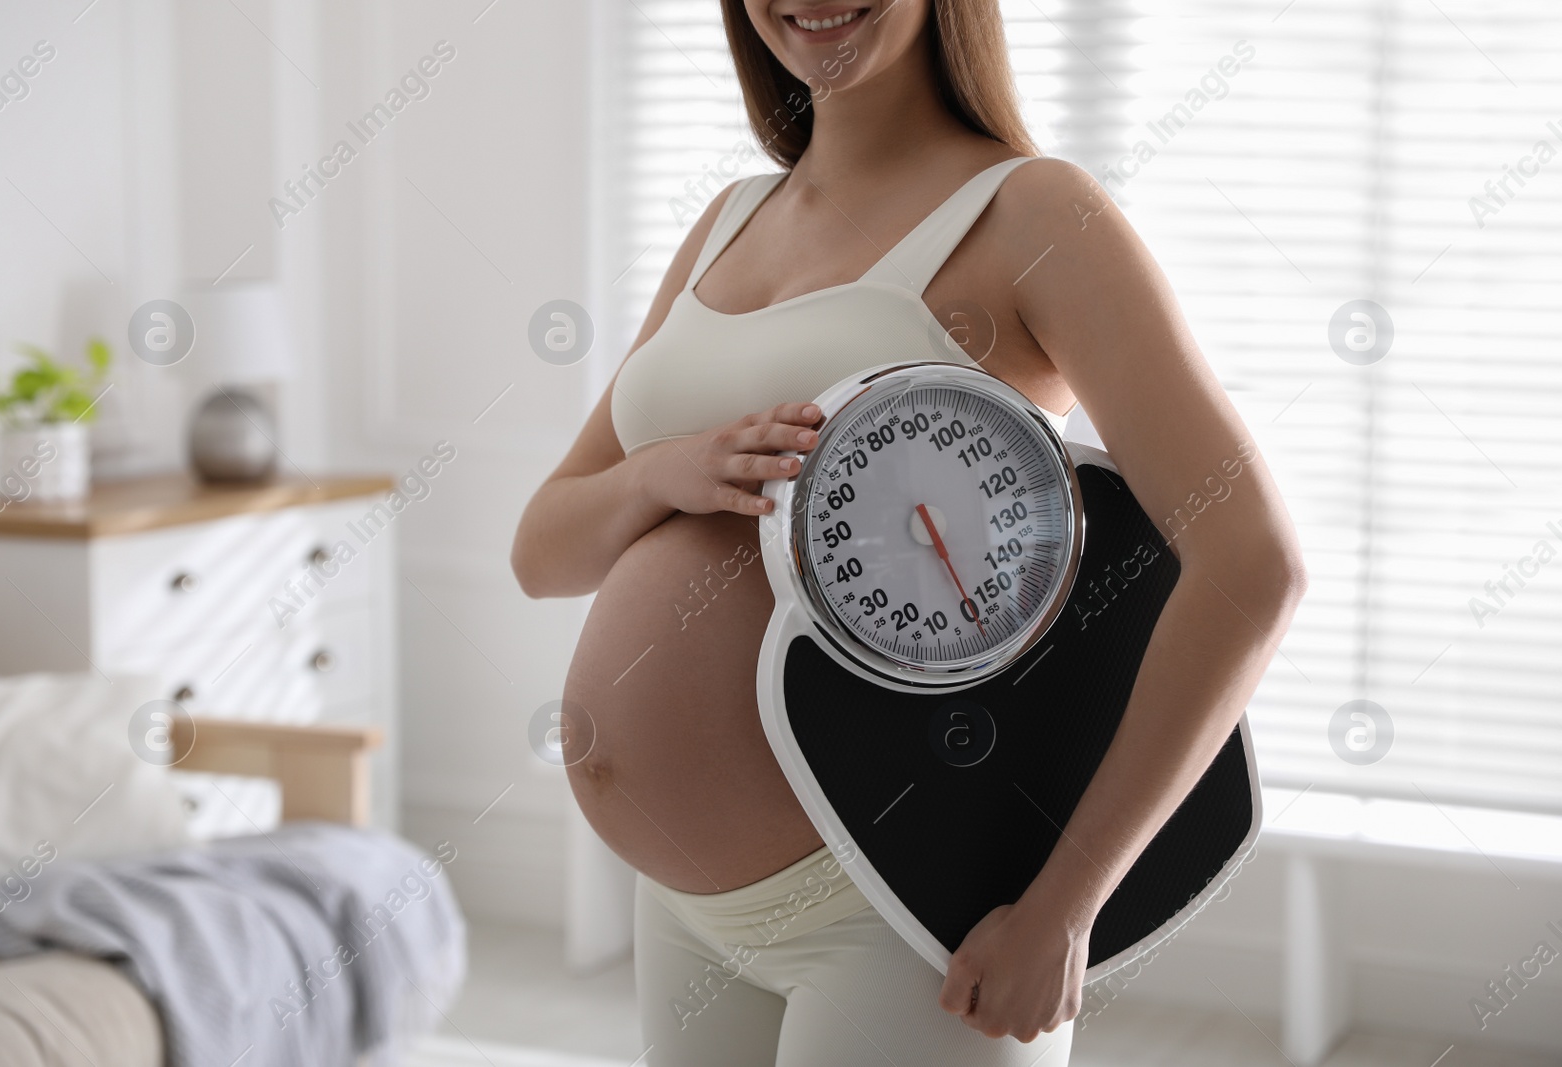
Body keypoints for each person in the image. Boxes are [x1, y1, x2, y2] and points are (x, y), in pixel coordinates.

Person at [510, 1, 1307, 1063]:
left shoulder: (1032, 214)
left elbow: (1252, 563)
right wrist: (666, 471)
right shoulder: (729, 221)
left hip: (904, 900)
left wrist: (1067, 904)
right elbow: (542, 550)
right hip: (684, 907)